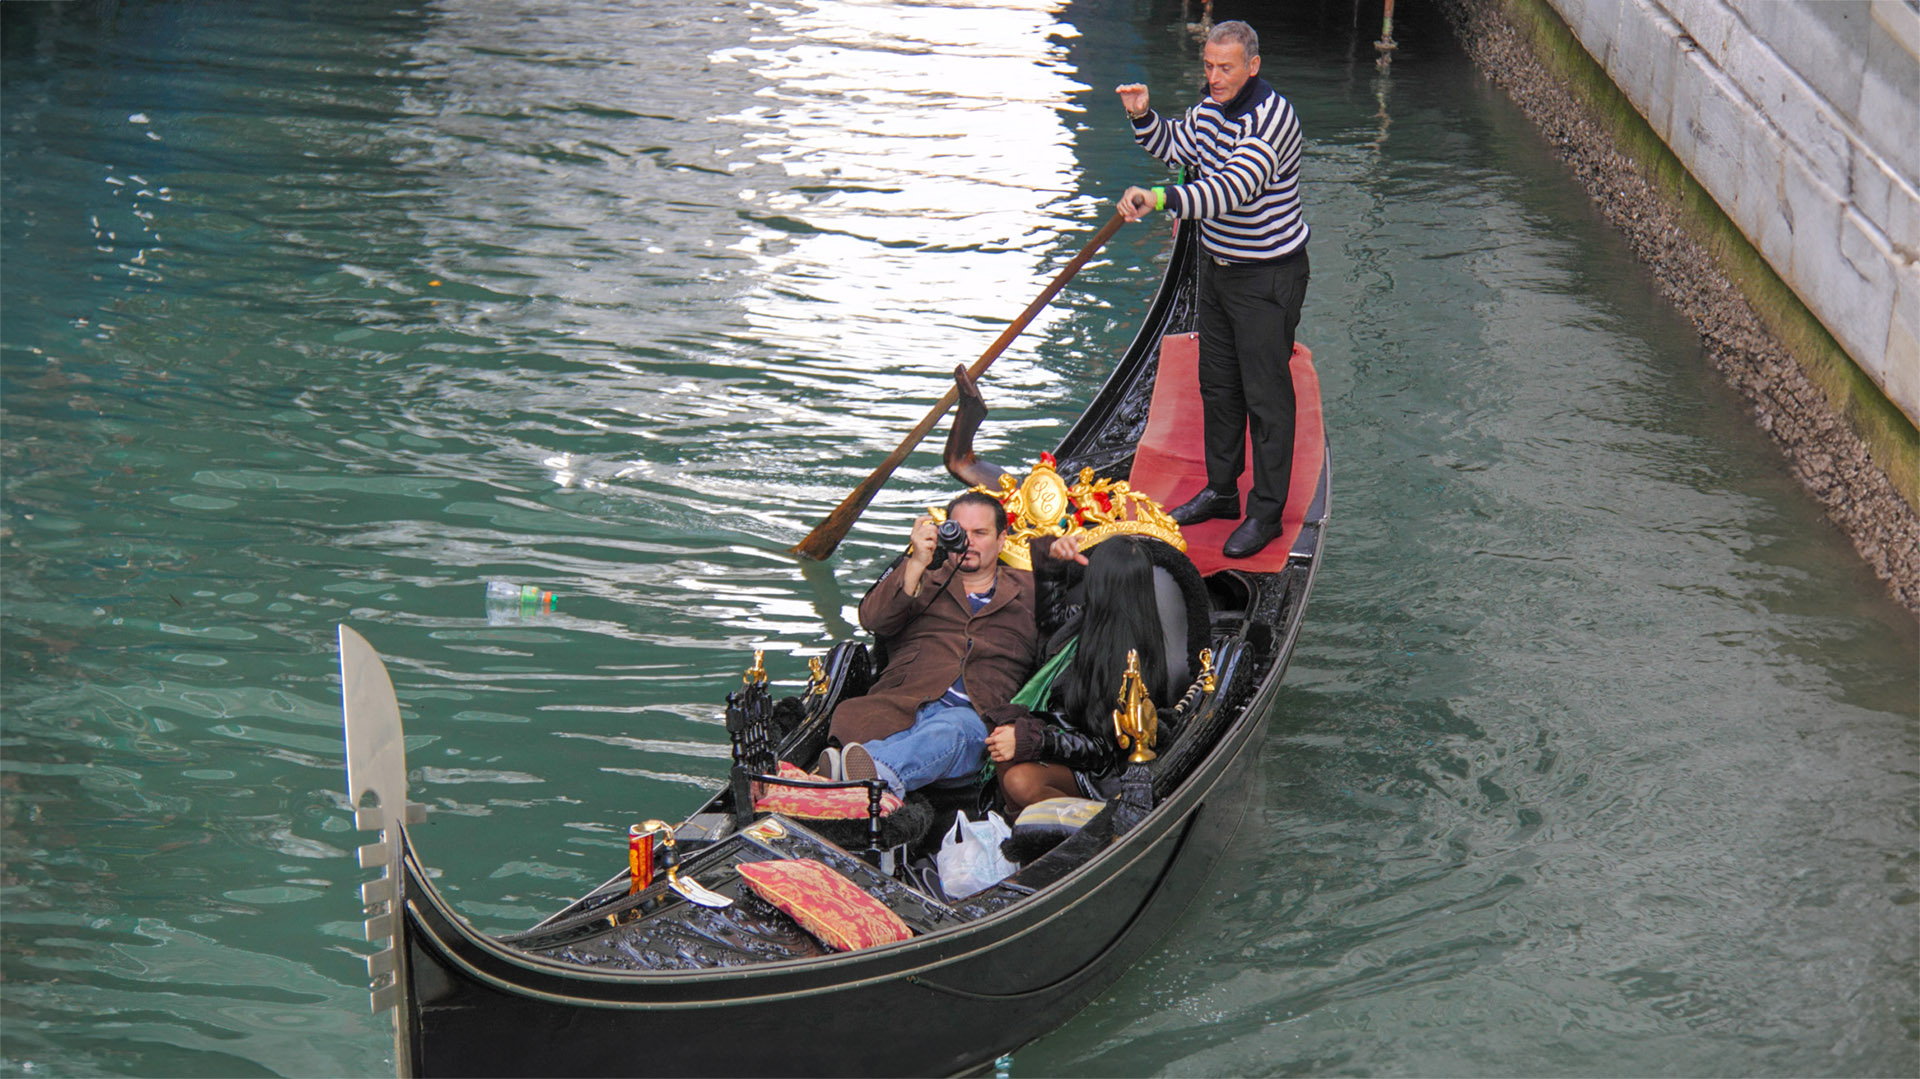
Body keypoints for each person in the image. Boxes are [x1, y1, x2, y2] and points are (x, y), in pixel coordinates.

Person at [1116, 19, 1311, 559]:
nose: (1214, 76)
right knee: (1218, 384)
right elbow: (1182, 146)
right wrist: (1142, 117)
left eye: (1225, 67)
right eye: (1208, 66)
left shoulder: (1272, 119)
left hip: (1267, 275)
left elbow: (1230, 190)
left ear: (1253, 66)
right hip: (1219, 268)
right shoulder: (1209, 107)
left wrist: (1160, 200)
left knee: (1266, 397)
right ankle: (1223, 491)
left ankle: (1266, 513)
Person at [826, 491, 1045, 799]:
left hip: (973, 718)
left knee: (949, 730)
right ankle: (859, 774)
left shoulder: (1031, 590)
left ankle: (859, 780)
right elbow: (872, 619)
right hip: (899, 706)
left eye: (980, 533)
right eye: (959, 532)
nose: (967, 543)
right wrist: (916, 562)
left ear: (1001, 539)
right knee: (912, 733)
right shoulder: (924, 579)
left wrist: (1057, 552)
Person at [984, 537, 1175, 814]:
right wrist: (1052, 562)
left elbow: (1102, 750)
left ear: (1096, 582)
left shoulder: (1129, 660)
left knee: (1019, 779)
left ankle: (1092, 825)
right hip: (1069, 744)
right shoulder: (1090, 622)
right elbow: (1052, 622)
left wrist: (1034, 742)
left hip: (1104, 775)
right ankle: (1025, 830)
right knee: (1003, 742)